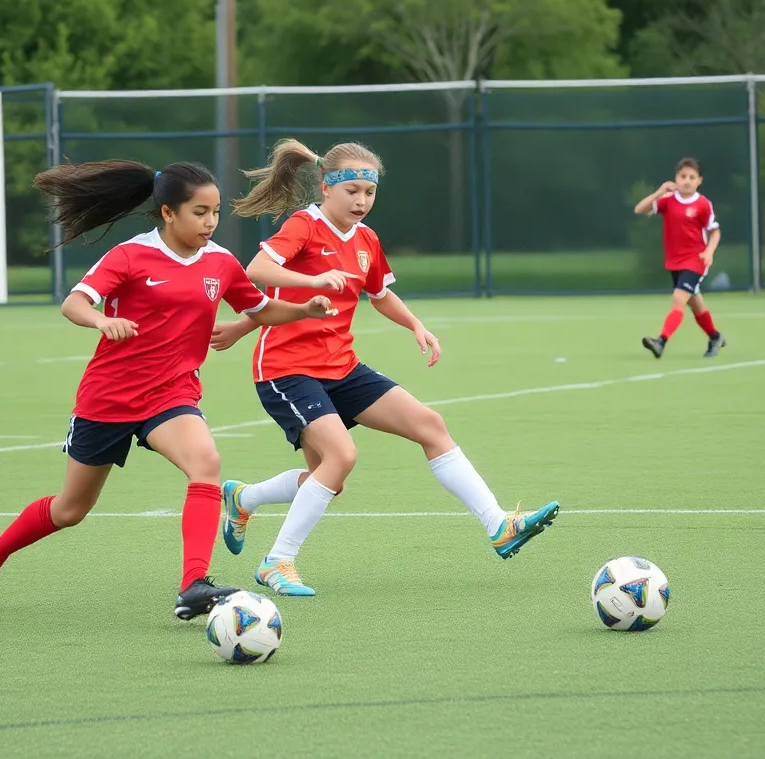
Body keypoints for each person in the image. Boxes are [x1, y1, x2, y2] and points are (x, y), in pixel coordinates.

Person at [0, 160, 336, 619]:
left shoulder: (220, 261)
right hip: (109, 398)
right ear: (168, 213)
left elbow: (259, 307)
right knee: (70, 509)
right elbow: (75, 302)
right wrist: (102, 319)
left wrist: (304, 309)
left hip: (172, 395)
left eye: (215, 212)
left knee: (206, 464)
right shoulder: (131, 255)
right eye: (200, 212)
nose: (210, 222)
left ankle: (193, 585)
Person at [208, 139, 560, 597]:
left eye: (369, 193)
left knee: (427, 428)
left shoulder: (367, 240)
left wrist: (415, 323)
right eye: (352, 190)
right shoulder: (304, 226)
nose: (361, 201)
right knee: (340, 460)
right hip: (286, 370)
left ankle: (499, 525)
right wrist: (307, 284)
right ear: (326, 187)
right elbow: (256, 270)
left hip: (342, 366)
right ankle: (277, 562)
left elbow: (380, 294)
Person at [634, 158, 725, 358]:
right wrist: (659, 192)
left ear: (699, 180)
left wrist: (709, 252)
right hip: (674, 262)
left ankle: (661, 341)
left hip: (695, 260)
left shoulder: (703, 204)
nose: (686, 181)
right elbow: (639, 209)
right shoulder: (668, 200)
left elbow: (715, 232)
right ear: (676, 178)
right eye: (683, 176)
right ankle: (715, 336)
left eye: (692, 177)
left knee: (678, 298)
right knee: (695, 303)